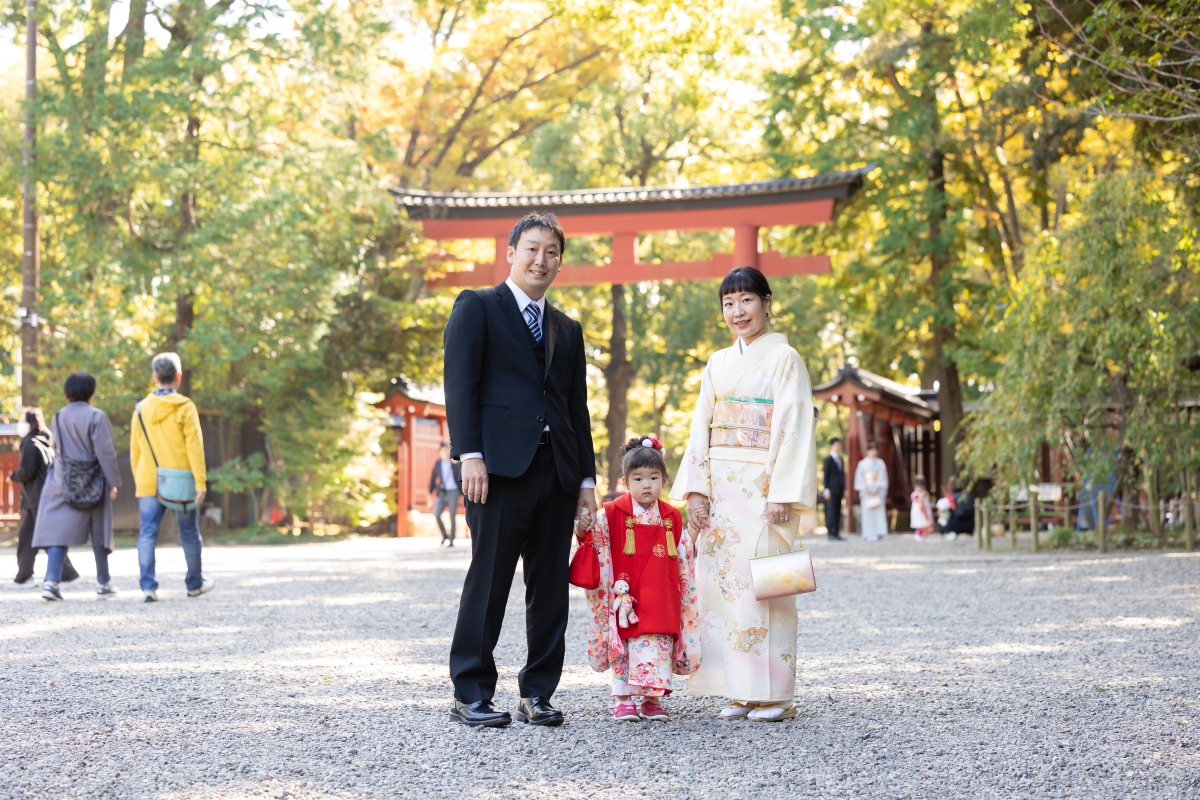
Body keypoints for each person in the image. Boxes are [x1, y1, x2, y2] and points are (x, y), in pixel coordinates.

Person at [443, 212, 597, 728]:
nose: (540, 260)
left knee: (550, 588)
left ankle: (539, 691)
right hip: (497, 472)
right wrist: (470, 454)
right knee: (488, 582)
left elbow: (577, 409)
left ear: (560, 261)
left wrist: (586, 481)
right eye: (532, 249)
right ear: (511, 252)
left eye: (551, 252)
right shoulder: (478, 307)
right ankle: (470, 692)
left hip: (557, 472)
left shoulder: (567, 329)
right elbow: (460, 385)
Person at [670, 266, 818, 722]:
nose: (738, 311)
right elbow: (700, 426)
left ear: (767, 303)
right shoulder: (718, 362)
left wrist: (783, 491)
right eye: (728, 303)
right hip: (721, 489)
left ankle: (777, 694)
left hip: (762, 489)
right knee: (723, 588)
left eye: (746, 300)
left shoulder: (785, 358)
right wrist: (697, 490)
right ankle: (739, 690)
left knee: (766, 587)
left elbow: (794, 426)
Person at [577, 436, 700, 722]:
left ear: (664, 480)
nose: (647, 485)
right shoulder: (611, 512)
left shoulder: (671, 516)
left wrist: (695, 529)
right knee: (626, 645)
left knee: (657, 643)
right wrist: (582, 528)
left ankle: (651, 699)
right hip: (626, 595)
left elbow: (683, 552)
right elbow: (596, 543)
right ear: (625, 481)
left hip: (660, 594)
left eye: (654, 478)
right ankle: (623, 699)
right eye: (639, 478)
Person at [31, 373, 122, 601]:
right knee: (99, 530)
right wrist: (112, 482)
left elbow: (56, 447)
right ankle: (103, 583)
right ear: (91, 392)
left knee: (58, 532)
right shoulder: (97, 417)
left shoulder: (59, 416)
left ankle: (51, 582)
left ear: (67, 392)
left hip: (62, 479)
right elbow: (106, 453)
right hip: (93, 481)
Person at [130, 353, 212, 603]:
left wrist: (140, 479)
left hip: (149, 479)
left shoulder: (141, 410)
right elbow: (194, 447)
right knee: (189, 533)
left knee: (147, 533)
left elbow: (135, 451)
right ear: (178, 376)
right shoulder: (185, 407)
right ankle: (194, 584)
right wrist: (200, 481)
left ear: (154, 378)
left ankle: (148, 587)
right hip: (181, 481)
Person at [10, 407, 81, 587]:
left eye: (22, 420)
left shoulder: (29, 443)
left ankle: (69, 575)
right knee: (27, 538)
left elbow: (27, 471)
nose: (20, 424)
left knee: (46, 538)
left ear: (30, 423)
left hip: (35, 497)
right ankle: (24, 577)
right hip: (43, 496)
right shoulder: (47, 440)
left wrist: (14, 475)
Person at [428, 443, 462, 546]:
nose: (445, 452)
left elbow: (462, 472)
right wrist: (429, 494)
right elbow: (433, 479)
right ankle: (444, 535)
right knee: (437, 514)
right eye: (443, 450)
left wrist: (456, 463)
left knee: (452, 516)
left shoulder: (455, 462)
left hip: (453, 492)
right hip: (442, 492)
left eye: (447, 450)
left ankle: (452, 539)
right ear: (439, 453)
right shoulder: (438, 463)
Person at [855, 442, 889, 541]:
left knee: (878, 512)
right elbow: (859, 478)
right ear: (867, 452)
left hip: (877, 490)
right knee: (867, 513)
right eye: (871, 450)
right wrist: (865, 489)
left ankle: (880, 532)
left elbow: (882, 477)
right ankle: (868, 533)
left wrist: (877, 488)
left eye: (875, 450)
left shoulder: (880, 463)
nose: (873, 452)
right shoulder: (862, 464)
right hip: (866, 491)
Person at [822, 437, 846, 541]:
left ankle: (836, 532)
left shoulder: (841, 459)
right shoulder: (828, 460)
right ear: (831, 446)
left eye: (839, 445)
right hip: (831, 490)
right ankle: (830, 532)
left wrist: (844, 489)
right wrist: (826, 489)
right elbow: (826, 475)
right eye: (836, 445)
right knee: (830, 511)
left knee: (838, 510)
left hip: (839, 490)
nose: (838, 447)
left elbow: (842, 475)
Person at [910, 475, 935, 542]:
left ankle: (921, 536)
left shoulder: (924, 493)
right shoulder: (917, 494)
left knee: (924, 525)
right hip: (920, 511)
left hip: (923, 509)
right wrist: (925, 514)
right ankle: (918, 536)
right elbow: (921, 503)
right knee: (921, 524)